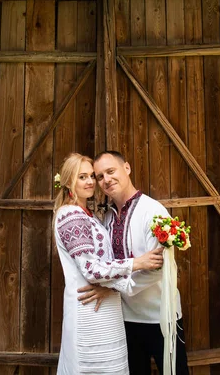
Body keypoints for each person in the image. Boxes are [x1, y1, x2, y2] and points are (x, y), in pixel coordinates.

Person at [78, 150, 190, 375]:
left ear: (126, 168)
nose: (106, 180)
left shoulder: (153, 211)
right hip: (125, 320)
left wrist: (111, 288)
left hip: (160, 318)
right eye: (100, 177)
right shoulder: (107, 217)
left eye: (111, 171)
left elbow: (158, 269)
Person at [53, 153, 164, 375]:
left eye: (92, 176)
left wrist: (110, 286)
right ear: (67, 182)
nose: (91, 181)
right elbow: (91, 270)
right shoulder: (71, 216)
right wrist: (137, 263)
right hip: (90, 309)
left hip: (109, 310)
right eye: (81, 176)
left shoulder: (91, 215)